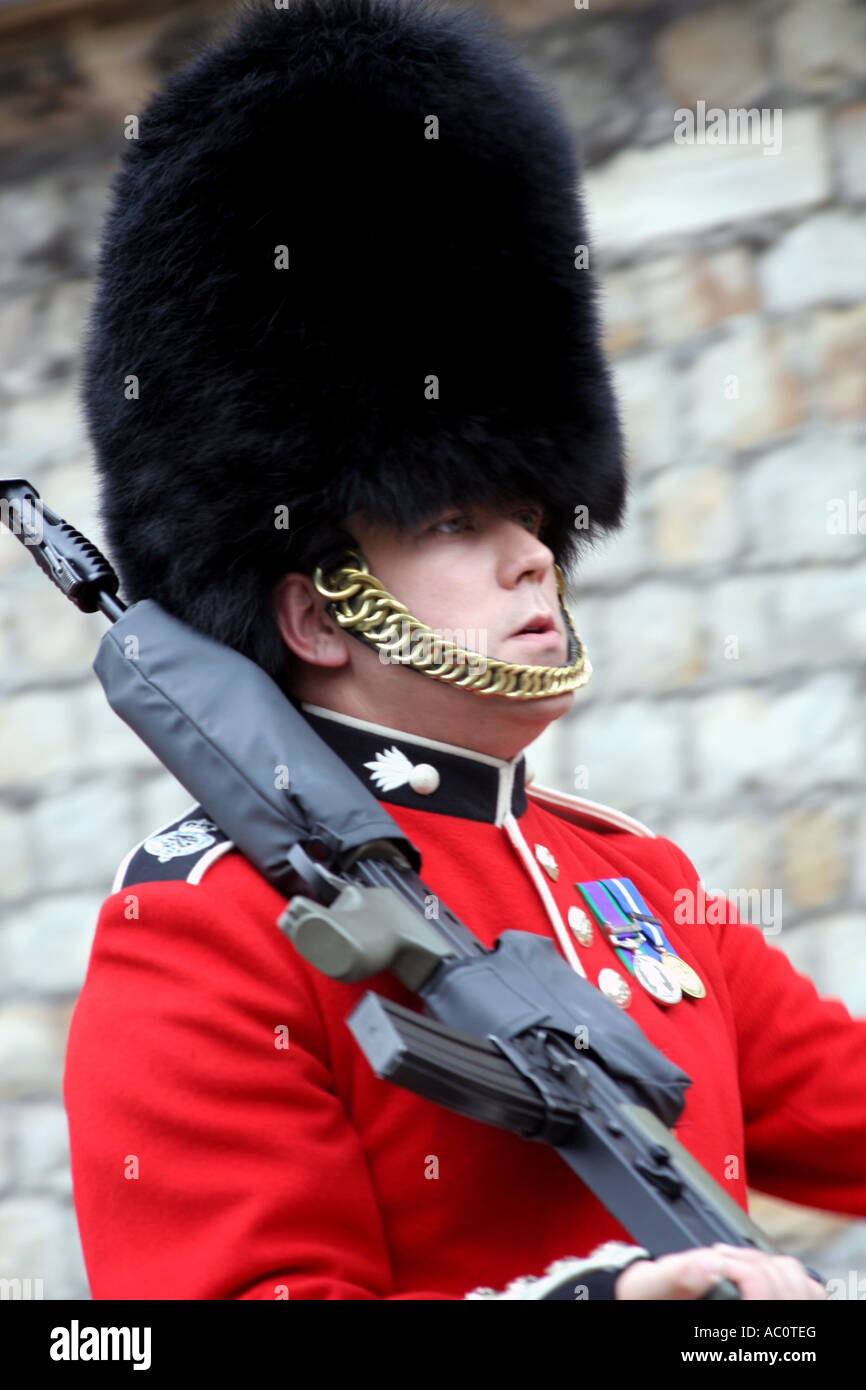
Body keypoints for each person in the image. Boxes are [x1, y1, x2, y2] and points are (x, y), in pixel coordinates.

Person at [63, 0, 858, 1300]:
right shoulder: (206, 924)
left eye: (533, 515)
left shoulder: (633, 878)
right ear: (316, 611)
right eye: (452, 518)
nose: (533, 555)